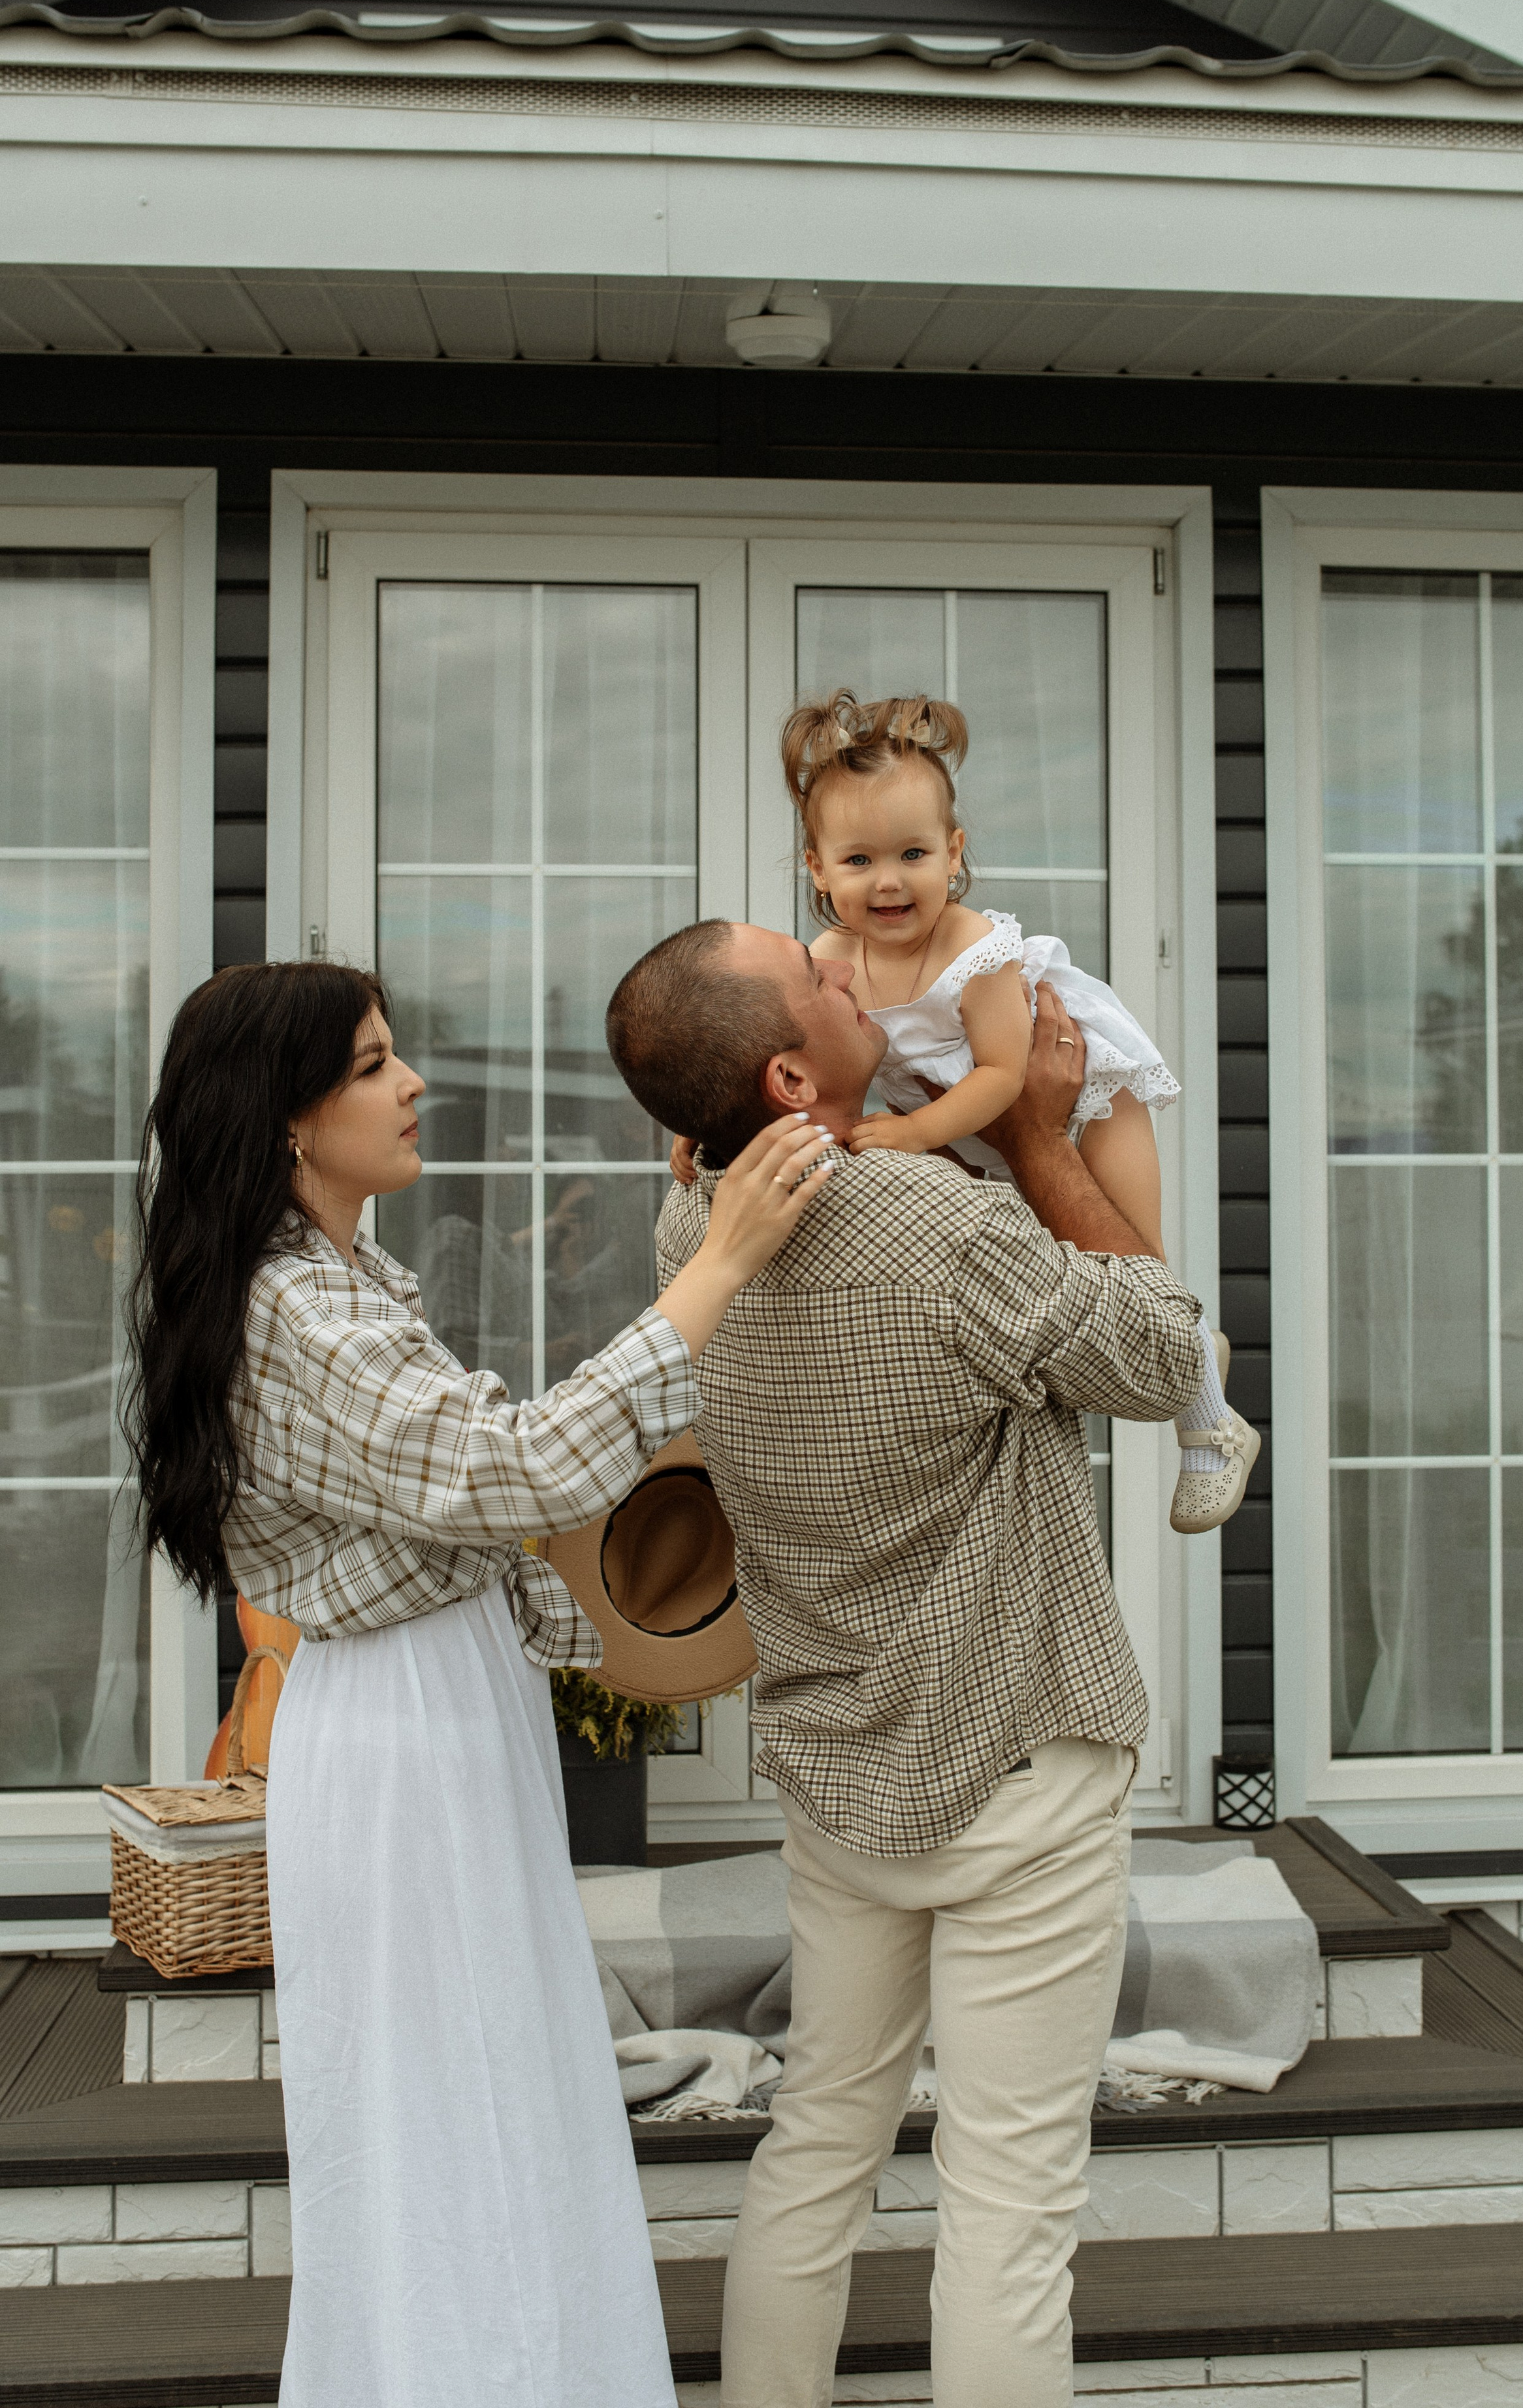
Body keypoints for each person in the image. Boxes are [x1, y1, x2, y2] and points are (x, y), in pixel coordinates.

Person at [122, 959, 833, 2408]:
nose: (413, 1084)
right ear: (288, 1121)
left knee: (478, 2102)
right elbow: (511, 1470)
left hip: (429, 1710)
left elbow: (477, 1506)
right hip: (402, 1735)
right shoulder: (302, 1316)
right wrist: (718, 1268)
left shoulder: (332, 1287)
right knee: (459, 2115)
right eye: (375, 1063)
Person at [605, 919, 1204, 2408]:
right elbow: (1159, 1351)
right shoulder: (933, 1227)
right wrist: (1045, 1141)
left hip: (838, 1770)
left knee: (817, 2142)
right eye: (810, 973)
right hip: (1015, 1762)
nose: (838, 954)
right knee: (1006, 2206)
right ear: (794, 1070)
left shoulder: (689, 1237)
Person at [781, 685, 1257, 1536]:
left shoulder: (976, 950)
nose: (888, 882)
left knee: (1139, 1265)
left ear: (953, 854)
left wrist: (917, 1132)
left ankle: (1210, 1422)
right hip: (960, 1130)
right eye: (858, 862)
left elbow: (1004, 1074)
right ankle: (1191, 1362)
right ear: (817, 868)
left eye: (913, 855)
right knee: (1054, 1280)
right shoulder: (828, 958)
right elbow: (785, 1050)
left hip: (1074, 1093)